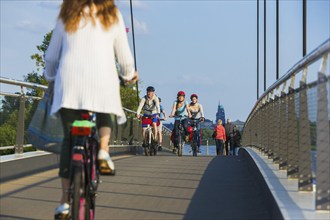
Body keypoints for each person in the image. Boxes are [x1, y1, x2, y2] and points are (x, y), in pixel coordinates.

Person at [43, 1, 138, 218]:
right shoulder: (112, 13)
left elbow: (51, 56)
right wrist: (127, 75)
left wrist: (50, 77)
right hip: (102, 81)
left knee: (70, 138)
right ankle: (103, 150)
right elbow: (124, 59)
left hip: (69, 85)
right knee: (106, 107)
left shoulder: (67, 11)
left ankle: (64, 202)